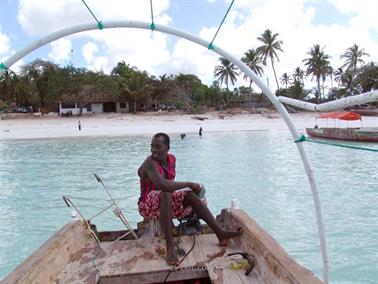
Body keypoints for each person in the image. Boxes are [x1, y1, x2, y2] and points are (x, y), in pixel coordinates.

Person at [137, 133, 242, 265]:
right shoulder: (149, 163)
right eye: (152, 146)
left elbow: (171, 187)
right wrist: (189, 183)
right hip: (147, 204)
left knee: (190, 195)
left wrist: (189, 190)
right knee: (166, 192)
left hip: (165, 201)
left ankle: (220, 233)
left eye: (158, 146)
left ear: (167, 148)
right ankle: (170, 248)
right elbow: (163, 185)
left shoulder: (172, 160)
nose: (154, 150)